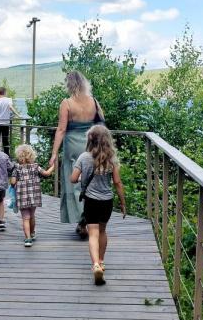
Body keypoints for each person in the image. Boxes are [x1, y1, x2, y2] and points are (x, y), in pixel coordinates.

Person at [48, 71, 104, 237]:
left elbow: (61, 129)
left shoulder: (67, 103)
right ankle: (89, 218)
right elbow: (101, 124)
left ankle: (82, 219)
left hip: (72, 147)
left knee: (75, 184)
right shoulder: (94, 101)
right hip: (91, 145)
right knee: (91, 182)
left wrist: (54, 154)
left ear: (69, 84)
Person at [70, 125, 127, 285]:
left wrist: (82, 178)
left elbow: (73, 179)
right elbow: (117, 182)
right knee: (102, 231)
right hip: (106, 201)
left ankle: (95, 265)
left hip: (91, 201)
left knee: (93, 233)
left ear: (89, 139)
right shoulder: (111, 158)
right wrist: (123, 203)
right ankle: (101, 262)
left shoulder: (83, 157)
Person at [11, 144, 55, 247]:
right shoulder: (35, 167)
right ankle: (32, 233)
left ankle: (28, 239)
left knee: (25, 218)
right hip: (34, 196)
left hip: (22, 196)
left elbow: (13, 182)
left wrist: (15, 182)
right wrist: (53, 166)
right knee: (32, 215)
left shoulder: (17, 168)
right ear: (31, 155)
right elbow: (46, 174)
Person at [0, 87, 21, 155]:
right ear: (5, 92)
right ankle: (6, 155)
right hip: (6, 123)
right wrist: (18, 115)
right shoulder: (9, 100)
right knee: (5, 140)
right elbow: (11, 107)